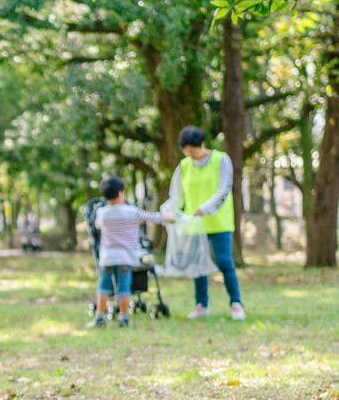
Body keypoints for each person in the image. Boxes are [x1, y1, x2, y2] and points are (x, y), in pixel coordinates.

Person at [164, 126, 245, 320]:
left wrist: (206, 208)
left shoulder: (221, 160)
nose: (190, 154)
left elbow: (223, 189)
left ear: (202, 144)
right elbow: (176, 196)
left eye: (193, 150)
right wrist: (169, 211)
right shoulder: (184, 166)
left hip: (219, 222)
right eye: (186, 151)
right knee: (197, 265)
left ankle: (236, 303)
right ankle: (201, 305)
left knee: (225, 262)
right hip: (194, 224)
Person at [88, 176, 173, 328]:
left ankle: (100, 317)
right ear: (121, 193)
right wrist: (170, 217)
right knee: (124, 288)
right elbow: (152, 217)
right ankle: (123, 317)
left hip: (107, 257)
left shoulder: (102, 213)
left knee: (103, 287)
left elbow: (98, 225)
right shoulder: (131, 211)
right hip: (126, 257)